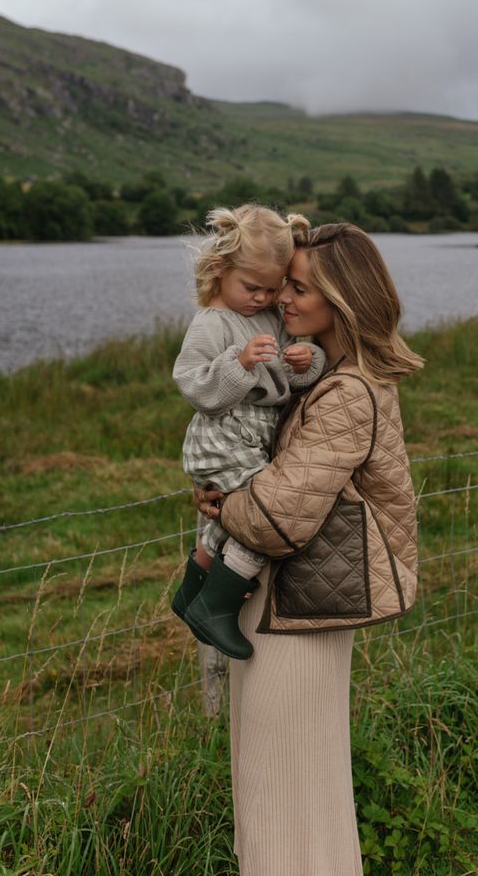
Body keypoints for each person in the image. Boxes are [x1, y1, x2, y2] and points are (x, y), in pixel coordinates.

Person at [195, 223, 423, 876]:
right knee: (291, 795)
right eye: (285, 284)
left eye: (299, 288)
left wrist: (222, 495)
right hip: (287, 608)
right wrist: (224, 492)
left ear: (343, 299)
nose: (284, 300)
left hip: (295, 619)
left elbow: (276, 518)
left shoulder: (349, 393)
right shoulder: (331, 375)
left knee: (284, 799)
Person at [170, 205, 326, 659]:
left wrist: (305, 362)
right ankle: (216, 606)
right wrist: (237, 364)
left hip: (253, 432)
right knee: (265, 511)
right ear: (221, 270)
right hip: (223, 433)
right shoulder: (211, 323)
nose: (262, 298)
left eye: (272, 288)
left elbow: (283, 381)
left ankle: (194, 589)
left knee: (239, 512)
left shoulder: (271, 319)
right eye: (251, 287)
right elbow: (195, 385)